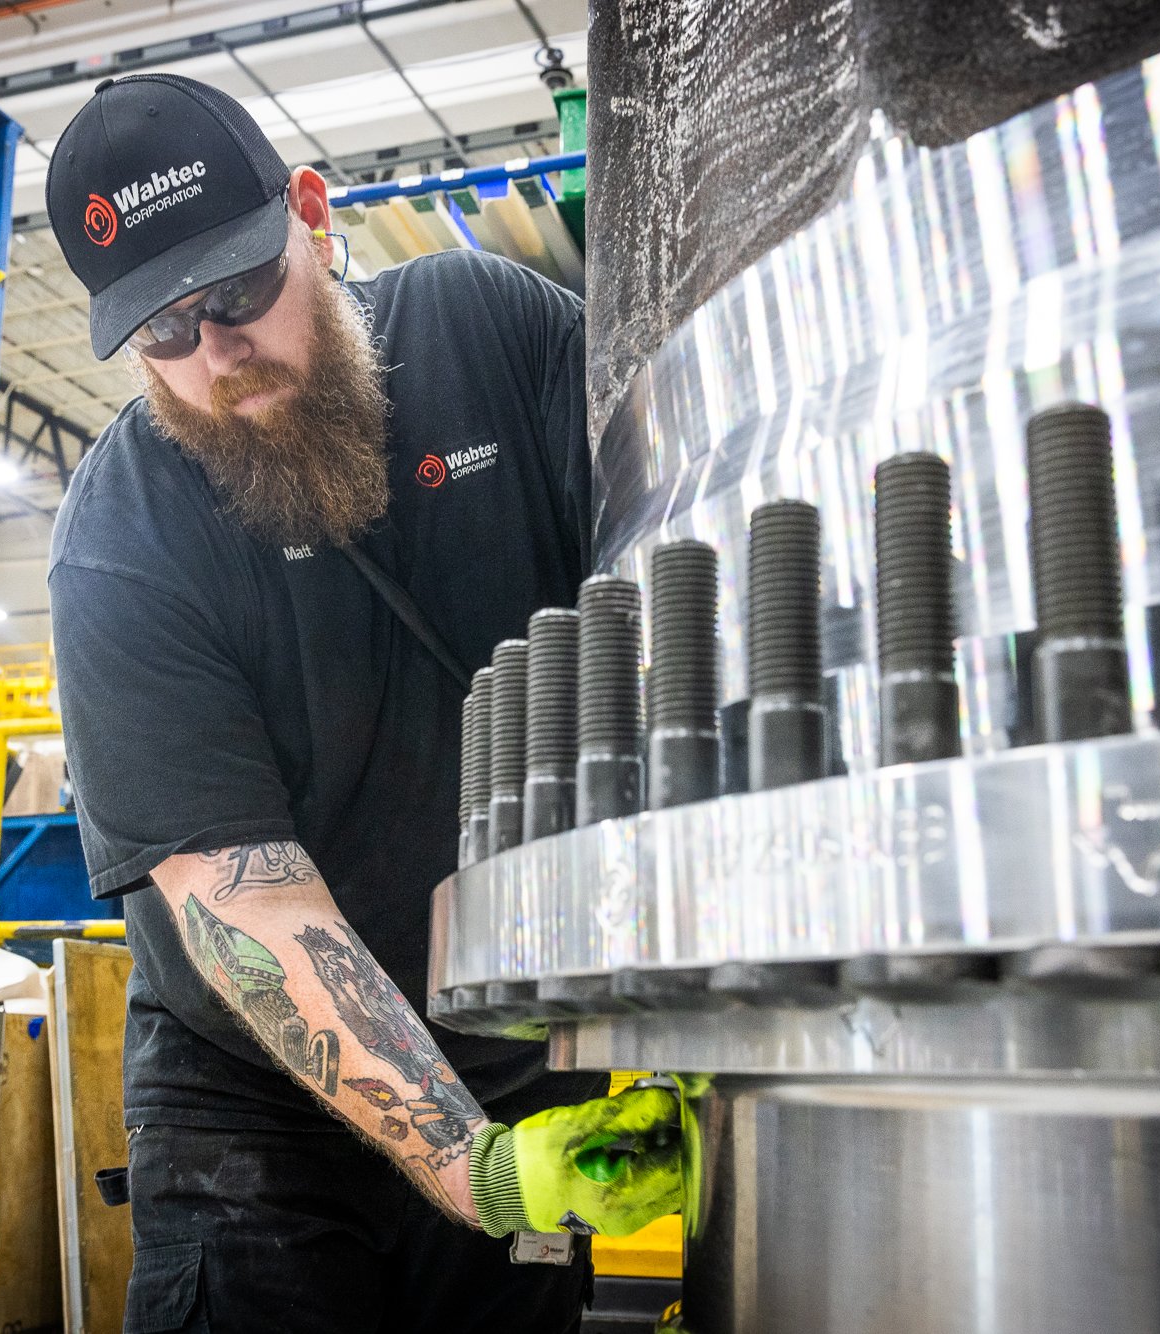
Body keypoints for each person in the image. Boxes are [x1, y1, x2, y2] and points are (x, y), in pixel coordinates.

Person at [42, 74, 682, 1334]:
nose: (217, 357)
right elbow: (253, 909)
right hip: (256, 1104)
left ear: (313, 216)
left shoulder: (484, 328)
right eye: (164, 333)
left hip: (513, 1052)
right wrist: (477, 1170)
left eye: (235, 293)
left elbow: (663, 567)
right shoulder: (121, 541)